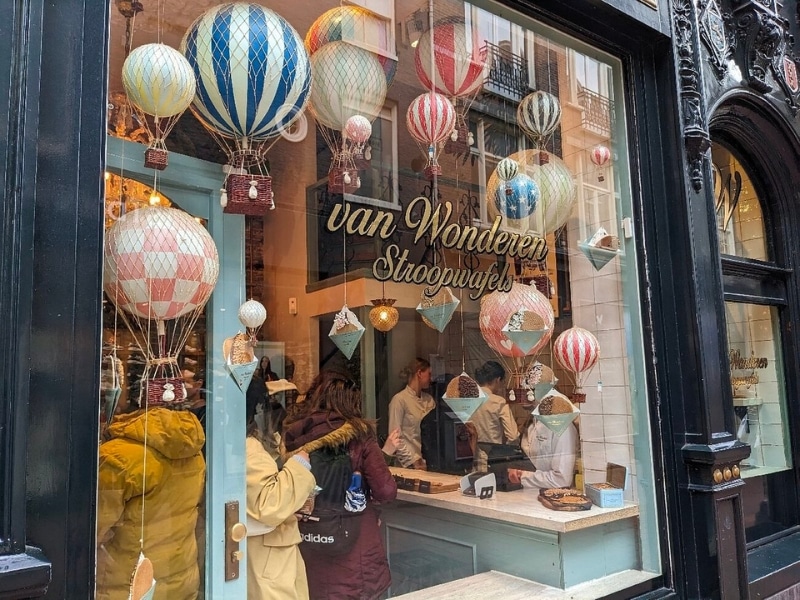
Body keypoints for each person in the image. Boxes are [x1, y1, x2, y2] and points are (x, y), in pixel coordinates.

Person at [283, 370, 398, 600]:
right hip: (356, 557)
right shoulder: (360, 435)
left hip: (309, 546)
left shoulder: (295, 437)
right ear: (351, 402)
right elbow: (386, 491)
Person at [96, 398, 205, 600]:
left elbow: (91, 532)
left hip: (129, 585)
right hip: (181, 580)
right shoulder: (192, 452)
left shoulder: (116, 457)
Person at [245, 379, 316, 600]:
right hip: (268, 552)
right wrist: (300, 463)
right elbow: (270, 504)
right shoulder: (249, 448)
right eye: (270, 401)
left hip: (267, 547)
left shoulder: (248, 442)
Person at [507, 391, 578, 489]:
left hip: (554, 496)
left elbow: (561, 480)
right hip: (526, 494)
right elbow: (532, 463)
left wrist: (522, 476)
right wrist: (516, 469)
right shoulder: (532, 424)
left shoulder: (562, 427)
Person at [388, 358, 434, 469]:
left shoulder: (429, 400)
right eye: (429, 374)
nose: (431, 378)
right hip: (408, 465)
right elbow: (395, 436)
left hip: (429, 463)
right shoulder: (399, 400)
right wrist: (413, 460)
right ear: (419, 373)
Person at [470, 360, 519, 446]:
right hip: (492, 454)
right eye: (502, 382)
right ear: (498, 380)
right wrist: (505, 449)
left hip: (470, 454)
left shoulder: (468, 400)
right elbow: (513, 435)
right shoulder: (499, 402)